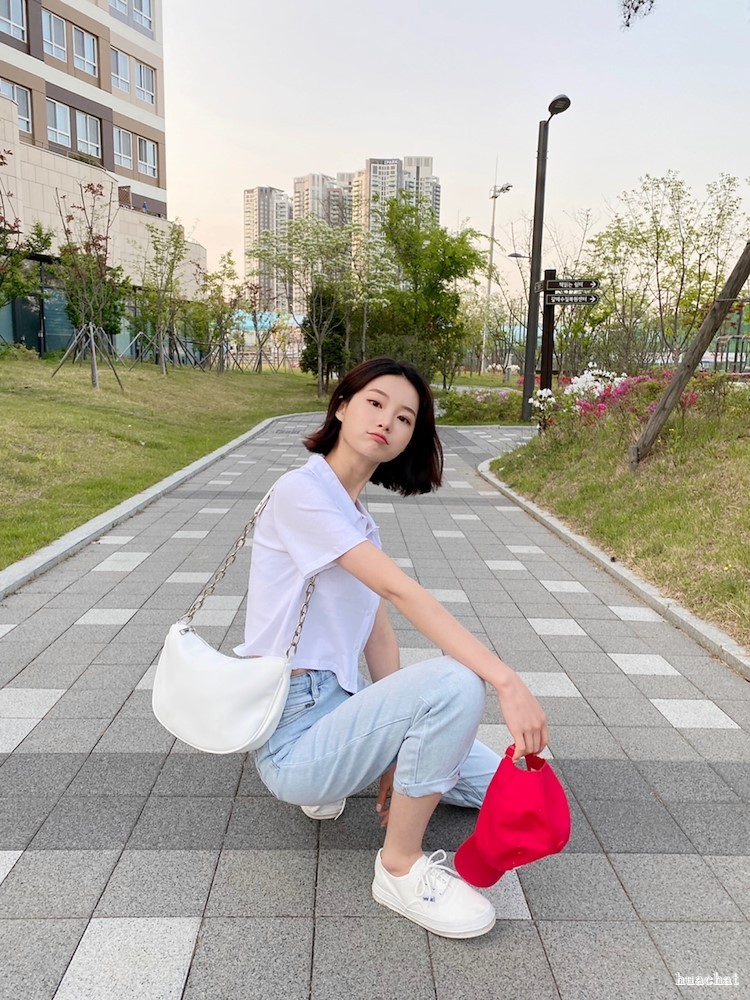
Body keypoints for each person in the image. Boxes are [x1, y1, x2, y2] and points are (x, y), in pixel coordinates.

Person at [235, 357, 548, 939]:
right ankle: (398, 867)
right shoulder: (300, 492)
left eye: (404, 418)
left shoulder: (357, 518)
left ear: (409, 437)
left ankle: (366, 774)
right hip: (292, 735)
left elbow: (379, 631)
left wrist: (396, 747)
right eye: (375, 403)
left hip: (340, 708)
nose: (386, 421)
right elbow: (401, 591)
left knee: (504, 787)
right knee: (456, 683)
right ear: (341, 406)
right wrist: (506, 681)